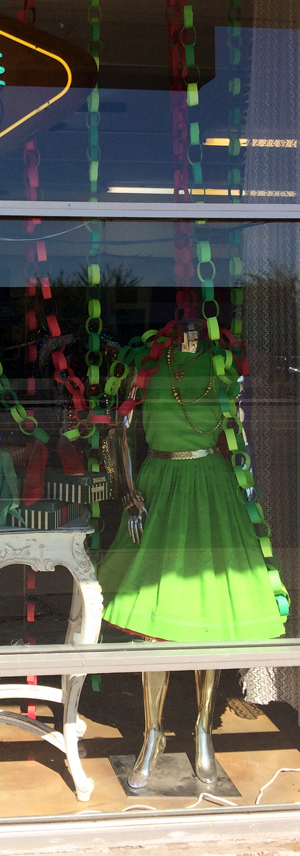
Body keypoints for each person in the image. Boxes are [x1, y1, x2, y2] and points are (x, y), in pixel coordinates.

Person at [98, 321, 286, 788]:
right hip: (157, 489)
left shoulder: (223, 364)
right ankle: (152, 734)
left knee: (211, 613)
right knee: (152, 618)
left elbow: (240, 434)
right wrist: (128, 493)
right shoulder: (147, 361)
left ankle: (204, 729)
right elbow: (119, 431)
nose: (191, 330)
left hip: (211, 491)